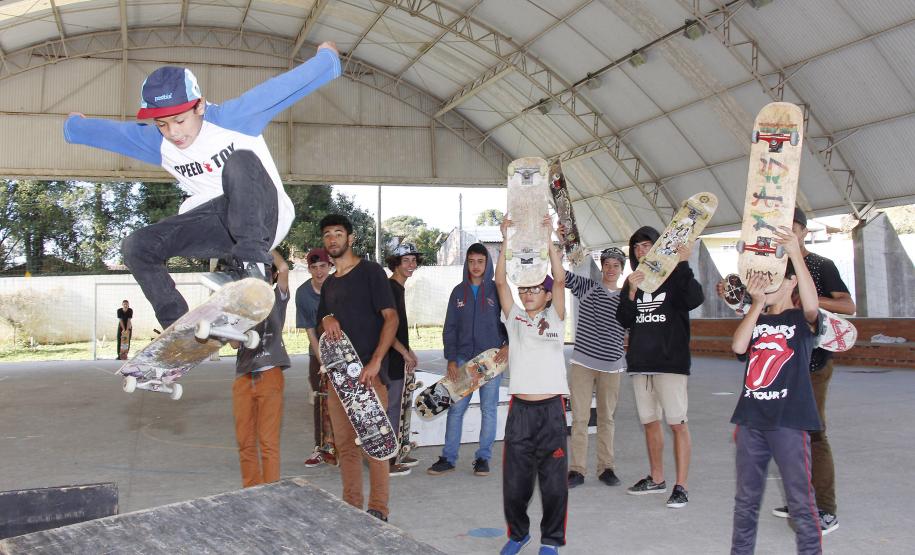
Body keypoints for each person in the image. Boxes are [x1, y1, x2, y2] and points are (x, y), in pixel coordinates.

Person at [63, 42, 341, 329]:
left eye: (179, 120)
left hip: (264, 218)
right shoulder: (158, 143)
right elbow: (111, 134)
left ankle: (251, 271)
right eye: (162, 124)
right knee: (136, 246)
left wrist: (327, 57)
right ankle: (176, 325)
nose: (173, 133)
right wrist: (75, 126)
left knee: (240, 161)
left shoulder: (234, 118)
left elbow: (284, 87)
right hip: (217, 227)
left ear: (200, 105)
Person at [717, 207, 854, 534]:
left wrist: (805, 296)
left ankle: (825, 508)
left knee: (814, 431)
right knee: (781, 432)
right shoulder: (771, 264)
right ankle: (800, 497)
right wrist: (735, 297)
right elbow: (755, 312)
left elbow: (848, 305)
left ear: (803, 232)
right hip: (776, 366)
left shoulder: (820, 265)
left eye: (791, 228)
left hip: (812, 362)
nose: (784, 234)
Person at [730, 227, 823, 554]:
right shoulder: (754, 320)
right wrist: (755, 304)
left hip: (789, 421)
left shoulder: (800, 320)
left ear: (792, 281)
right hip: (750, 420)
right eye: (761, 277)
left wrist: (795, 253)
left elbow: (813, 308)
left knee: (800, 501)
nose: (767, 283)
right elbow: (738, 345)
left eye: (776, 277)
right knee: (745, 501)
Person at [316, 214, 398, 522]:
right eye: (327, 235)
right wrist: (326, 318)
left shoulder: (371, 272)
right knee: (346, 448)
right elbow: (324, 322)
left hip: (368, 377)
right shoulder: (329, 284)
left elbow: (391, 318)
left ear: (350, 238)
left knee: (375, 444)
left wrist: (377, 361)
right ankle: (351, 507)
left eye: (338, 233)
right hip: (339, 381)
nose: (332, 239)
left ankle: (378, 510)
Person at [615, 226, 704, 509]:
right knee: (650, 423)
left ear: (658, 247)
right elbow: (625, 320)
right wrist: (629, 290)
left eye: (647, 245)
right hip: (641, 365)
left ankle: (682, 486)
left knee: (677, 424)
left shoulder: (675, 275)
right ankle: (656, 477)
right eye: (637, 247)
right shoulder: (634, 282)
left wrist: (683, 263)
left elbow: (694, 299)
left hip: (671, 364)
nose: (642, 250)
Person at [495, 215, 568, 555]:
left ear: (547, 294)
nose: (526, 294)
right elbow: (500, 284)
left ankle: (551, 540)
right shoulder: (515, 319)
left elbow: (561, 278)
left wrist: (550, 238)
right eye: (523, 289)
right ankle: (518, 534)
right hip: (520, 411)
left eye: (533, 289)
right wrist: (505, 239)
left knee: (554, 485)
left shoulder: (556, 317)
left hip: (551, 411)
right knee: (515, 485)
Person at [427, 243, 508, 477]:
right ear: (467, 264)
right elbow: (449, 328)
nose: (475, 266)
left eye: (480, 262)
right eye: (471, 261)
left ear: (487, 263)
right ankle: (448, 458)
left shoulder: (497, 290)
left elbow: (512, 319)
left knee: (489, 410)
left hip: (490, 362)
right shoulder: (458, 292)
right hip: (463, 361)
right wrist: (451, 359)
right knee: (456, 410)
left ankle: (483, 458)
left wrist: (508, 346)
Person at [561, 242, 628, 489]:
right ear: (601, 268)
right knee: (579, 418)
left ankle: (606, 468)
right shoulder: (587, 287)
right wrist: (552, 247)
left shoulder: (627, 297)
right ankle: (577, 470)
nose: (611, 269)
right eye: (607, 265)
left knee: (606, 418)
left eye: (616, 266)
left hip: (612, 365)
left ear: (622, 270)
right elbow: (561, 276)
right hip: (583, 362)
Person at [231, 250, 291, 488]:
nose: (260, 278)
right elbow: (235, 343)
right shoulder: (240, 306)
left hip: (269, 373)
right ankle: (250, 490)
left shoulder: (278, 298)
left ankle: (271, 490)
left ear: (271, 277)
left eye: (265, 273)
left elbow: (284, 268)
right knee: (245, 441)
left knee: (268, 442)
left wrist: (263, 245)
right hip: (244, 375)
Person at [296, 248, 336, 468]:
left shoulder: (341, 287)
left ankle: (348, 446)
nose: (319, 272)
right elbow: (310, 330)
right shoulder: (303, 293)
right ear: (309, 269)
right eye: (314, 267)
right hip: (318, 352)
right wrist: (321, 360)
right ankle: (321, 447)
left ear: (330, 266)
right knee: (321, 400)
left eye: (322, 266)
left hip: (345, 353)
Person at [385, 243, 421, 477]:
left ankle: (397, 452)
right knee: (391, 408)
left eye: (413, 260)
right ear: (395, 263)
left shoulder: (398, 288)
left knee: (399, 409)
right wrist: (403, 352)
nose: (410, 265)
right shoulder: (389, 289)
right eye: (405, 260)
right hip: (389, 360)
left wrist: (409, 350)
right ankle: (387, 461)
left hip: (398, 356)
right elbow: (385, 329)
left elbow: (399, 329)